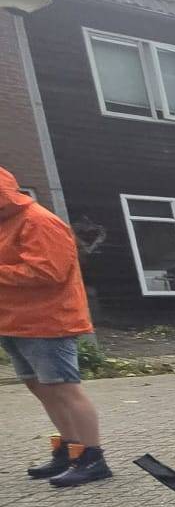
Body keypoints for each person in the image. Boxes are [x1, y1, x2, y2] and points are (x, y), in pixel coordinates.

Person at [0, 167, 110, 487]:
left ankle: (93, 457)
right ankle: (69, 450)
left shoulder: (38, 221)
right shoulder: (6, 222)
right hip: (14, 321)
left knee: (64, 389)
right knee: (41, 388)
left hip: (47, 321)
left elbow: (49, 271)